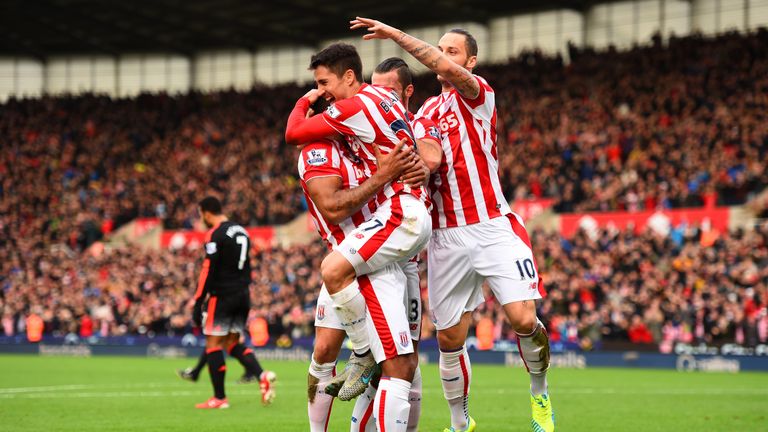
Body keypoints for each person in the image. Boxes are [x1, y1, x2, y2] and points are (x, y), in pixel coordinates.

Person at [351, 18, 555, 432]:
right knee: (448, 339)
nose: (443, 56)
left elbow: (443, 72)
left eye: (452, 51)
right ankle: (461, 423)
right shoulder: (425, 111)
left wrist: (394, 35)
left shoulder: (480, 96)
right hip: (446, 236)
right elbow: (431, 161)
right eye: (441, 50)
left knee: (522, 319)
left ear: (471, 61)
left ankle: (540, 393)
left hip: (494, 224)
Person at [285, 42, 433, 424]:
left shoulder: (352, 110)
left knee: (399, 362)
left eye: (324, 83)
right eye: (317, 87)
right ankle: (362, 357)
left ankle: (363, 353)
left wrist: (304, 101)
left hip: (393, 226)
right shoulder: (380, 101)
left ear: (349, 77)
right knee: (330, 348)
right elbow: (334, 202)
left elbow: (294, 131)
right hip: (384, 231)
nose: (323, 94)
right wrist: (414, 166)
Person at [190, 196, 276, 409]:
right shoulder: (242, 231)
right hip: (242, 295)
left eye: (201, 215)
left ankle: (219, 398)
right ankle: (261, 375)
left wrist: (198, 300)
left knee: (213, 345)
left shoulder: (215, 234)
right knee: (232, 343)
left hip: (222, 296)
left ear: (206, 212)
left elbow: (207, 269)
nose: (202, 219)